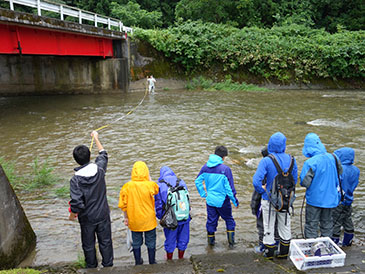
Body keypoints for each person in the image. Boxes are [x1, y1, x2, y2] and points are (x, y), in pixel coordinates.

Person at [68, 131, 113, 268]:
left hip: (87, 218)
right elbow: (103, 154)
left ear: (76, 160)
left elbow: (76, 203)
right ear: (89, 156)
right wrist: (96, 138)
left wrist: (72, 215)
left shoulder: (75, 180)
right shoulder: (99, 170)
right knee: (105, 241)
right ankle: (108, 266)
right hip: (103, 214)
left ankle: (91, 267)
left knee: (88, 245)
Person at [252, 132, 298, 260]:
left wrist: (262, 191)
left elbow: (256, 181)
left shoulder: (267, 160)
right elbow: (294, 181)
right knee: (285, 225)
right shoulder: (292, 159)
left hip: (269, 200)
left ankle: (269, 253)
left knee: (268, 226)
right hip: (286, 199)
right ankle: (283, 253)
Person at [195, 145, 239, 247]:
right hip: (223, 201)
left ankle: (211, 244)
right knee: (229, 219)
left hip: (210, 200)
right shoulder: (225, 169)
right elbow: (230, 188)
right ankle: (231, 244)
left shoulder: (205, 167)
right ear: (223, 157)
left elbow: (197, 181)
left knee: (211, 221)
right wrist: (235, 201)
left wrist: (203, 194)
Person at [300, 133, 342, 239]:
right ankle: (326, 247)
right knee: (327, 224)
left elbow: (305, 182)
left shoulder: (310, 162)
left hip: (314, 199)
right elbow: (340, 172)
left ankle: (312, 247)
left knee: (311, 225)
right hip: (330, 198)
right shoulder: (334, 157)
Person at [119, 161, 159, 265]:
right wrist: (149, 178)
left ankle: (138, 262)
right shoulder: (150, 185)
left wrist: (126, 218)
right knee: (151, 241)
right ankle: (152, 261)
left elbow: (124, 205)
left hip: (134, 220)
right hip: (149, 220)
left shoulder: (126, 187)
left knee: (136, 242)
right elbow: (156, 189)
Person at [155, 166, 191, 260]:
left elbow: (158, 205)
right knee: (183, 238)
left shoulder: (160, 185)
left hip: (170, 218)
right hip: (184, 215)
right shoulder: (181, 181)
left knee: (170, 240)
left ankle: (169, 259)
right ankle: (181, 257)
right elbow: (187, 199)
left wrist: (161, 218)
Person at [250, 146, 279, 253]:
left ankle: (263, 246)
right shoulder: (280, 167)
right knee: (276, 225)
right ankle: (277, 245)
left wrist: (253, 207)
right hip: (279, 203)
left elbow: (256, 193)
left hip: (264, 204)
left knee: (262, 226)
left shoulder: (263, 171)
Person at [332, 147, 360, 246]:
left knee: (335, 223)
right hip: (349, 199)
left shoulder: (339, 169)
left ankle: (334, 244)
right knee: (347, 220)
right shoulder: (356, 170)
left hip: (338, 200)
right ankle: (347, 242)